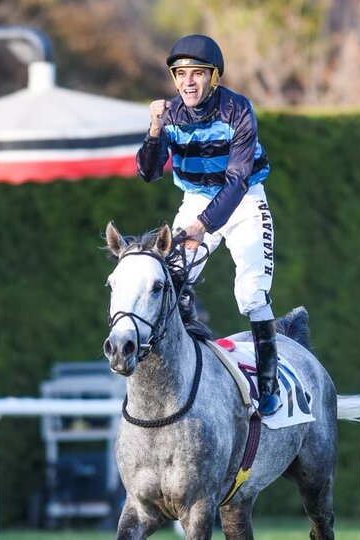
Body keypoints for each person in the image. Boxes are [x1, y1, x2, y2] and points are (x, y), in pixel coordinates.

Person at [136, 34, 280, 416]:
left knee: (251, 294)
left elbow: (237, 181)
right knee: (173, 278)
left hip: (245, 200)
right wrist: (153, 131)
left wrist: (203, 225)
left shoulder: (238, 109)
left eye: (197, 73)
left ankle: (269, 383)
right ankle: (183, 370)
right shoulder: (169, 116)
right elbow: (149, 173)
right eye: (181, 74)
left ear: (214, 77)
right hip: (196, 198)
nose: (188, 82)